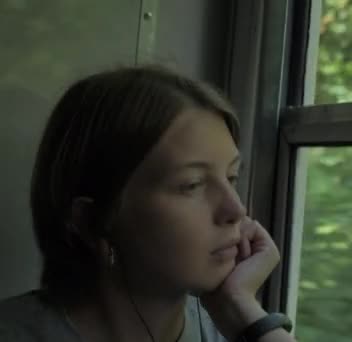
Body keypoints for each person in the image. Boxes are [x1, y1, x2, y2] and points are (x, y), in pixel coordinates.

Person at [0, 65, 296, 342]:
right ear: (93, 221)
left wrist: (244, 313)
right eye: (192, 184)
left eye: (231, 177)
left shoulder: (235, 328)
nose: (236, 210)